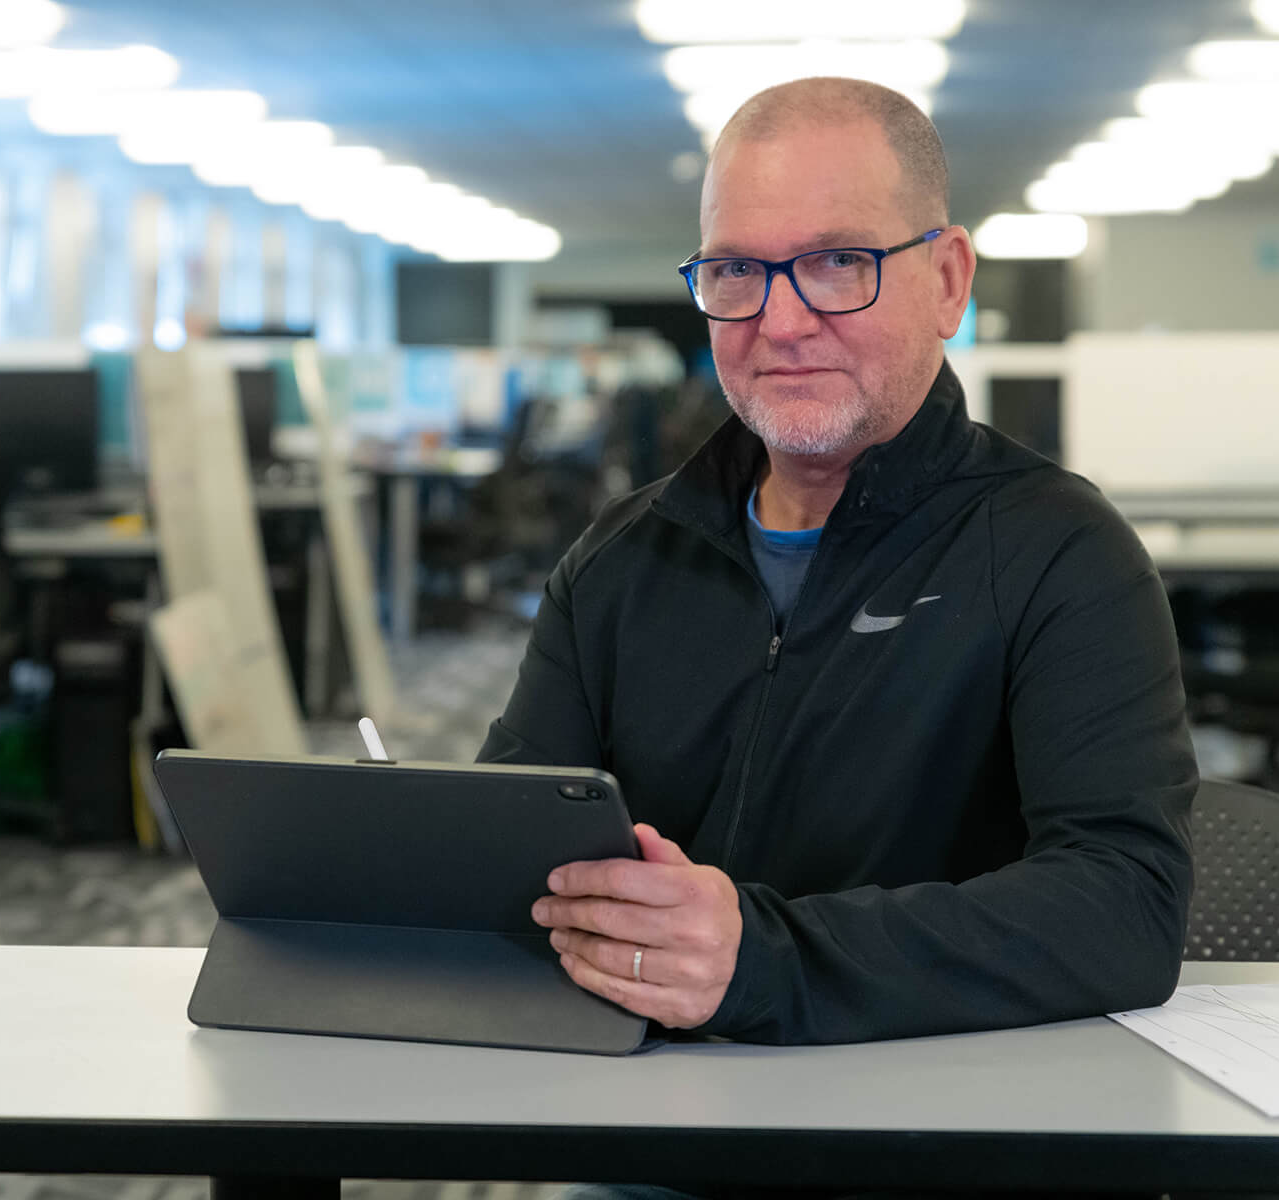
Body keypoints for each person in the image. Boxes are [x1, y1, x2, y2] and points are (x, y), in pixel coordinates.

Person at [479, 76, 1195, 1045]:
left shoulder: (1056, 553)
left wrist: (765, 961)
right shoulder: (621, 560)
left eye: (836, 262)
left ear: (947, 281)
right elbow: (510, 854)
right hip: (663, 1132)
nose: (778, 321)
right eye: (735, 271)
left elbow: (1124, 909)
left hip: (945, 1132)